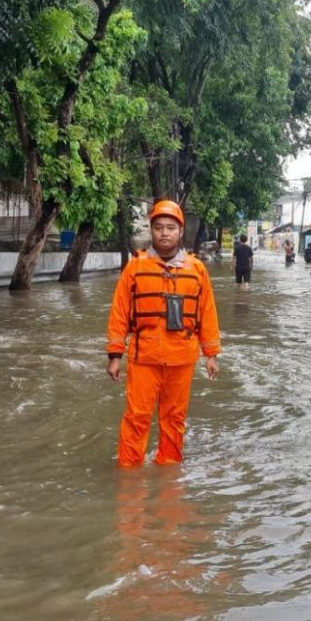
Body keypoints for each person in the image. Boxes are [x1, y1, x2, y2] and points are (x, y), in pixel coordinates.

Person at [106, 199, 221, 467]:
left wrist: (211, 354)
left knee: (174, 418)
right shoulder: (135, 267)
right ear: (152, 230)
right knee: (137, 416)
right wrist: (114, 355)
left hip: (181, 358)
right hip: (143, 357)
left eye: (171, 228)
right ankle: (129, 472)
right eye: (159, 228)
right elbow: (119, 312)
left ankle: (169, 471)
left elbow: (207, 313)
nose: (164, 233)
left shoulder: (197, 269)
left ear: (180, 231)